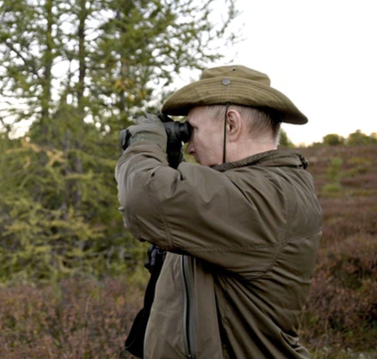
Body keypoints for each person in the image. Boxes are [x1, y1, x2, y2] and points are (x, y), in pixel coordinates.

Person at [115, 65, 322, 358]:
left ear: (231, 124)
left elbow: (144, 199)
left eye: (192, 131)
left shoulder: (269, 196)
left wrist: (144, 143)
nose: (190, 148)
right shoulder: (247, 188)